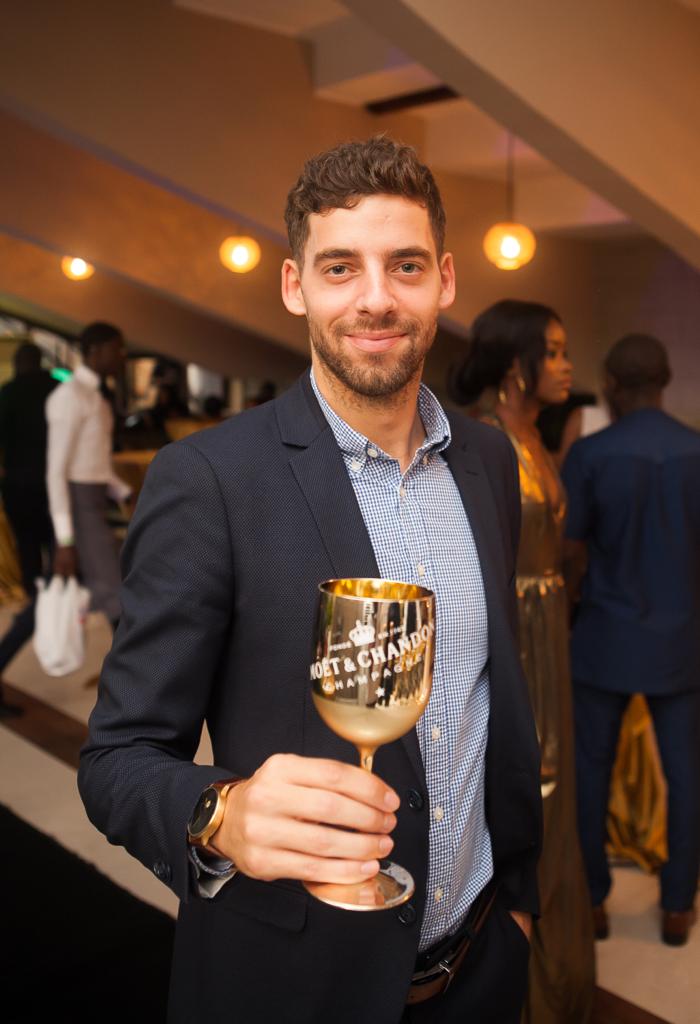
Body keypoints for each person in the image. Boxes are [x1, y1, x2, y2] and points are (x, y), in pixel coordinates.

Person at [78, 137, 542, 1024]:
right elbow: (116, 760)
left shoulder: (487, 460)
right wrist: (221, 814)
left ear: (444, 280)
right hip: (295, 986)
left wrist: (517, 906)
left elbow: (493, 699)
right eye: (340, 267)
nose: (376, 297)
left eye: (405, 265)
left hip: (482, 964)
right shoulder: (210, 481)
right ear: (296, 287)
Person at [449, 299, 595, 1024]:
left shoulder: (537, 434)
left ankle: (560, 984)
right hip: (512, 632)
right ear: (516, 363)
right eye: (555, 351)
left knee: (560, 795)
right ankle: (519, 987)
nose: (567, 366)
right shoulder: (479, 438)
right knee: (525, 787)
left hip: (550, 628)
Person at [562, 333, 700, 947]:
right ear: (664, 381)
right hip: (683, 640)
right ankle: (678, 906)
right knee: (687, 775)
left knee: (590, 772)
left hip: (603, 637)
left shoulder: (590, 454)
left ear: (612, 386)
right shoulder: (696, 451)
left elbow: (570, 551)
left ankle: (593, 901)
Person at [46, 322, 131, 627]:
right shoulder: (70, 396)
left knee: (99, 589)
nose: (122, 356)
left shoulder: (95, 396)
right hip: (80, 507)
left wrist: (125, 492)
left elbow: (94, 465)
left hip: (94, 502)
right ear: (95, 351)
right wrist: (65, 539)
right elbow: (56, 472)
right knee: (116, 596)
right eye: (117, 349)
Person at [0, 342, 57, 716]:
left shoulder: (8, 392)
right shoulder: (57, 390)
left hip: (19, 488)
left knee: (31, 555)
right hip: (53, 492)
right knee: (54, 577)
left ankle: (38, 591)